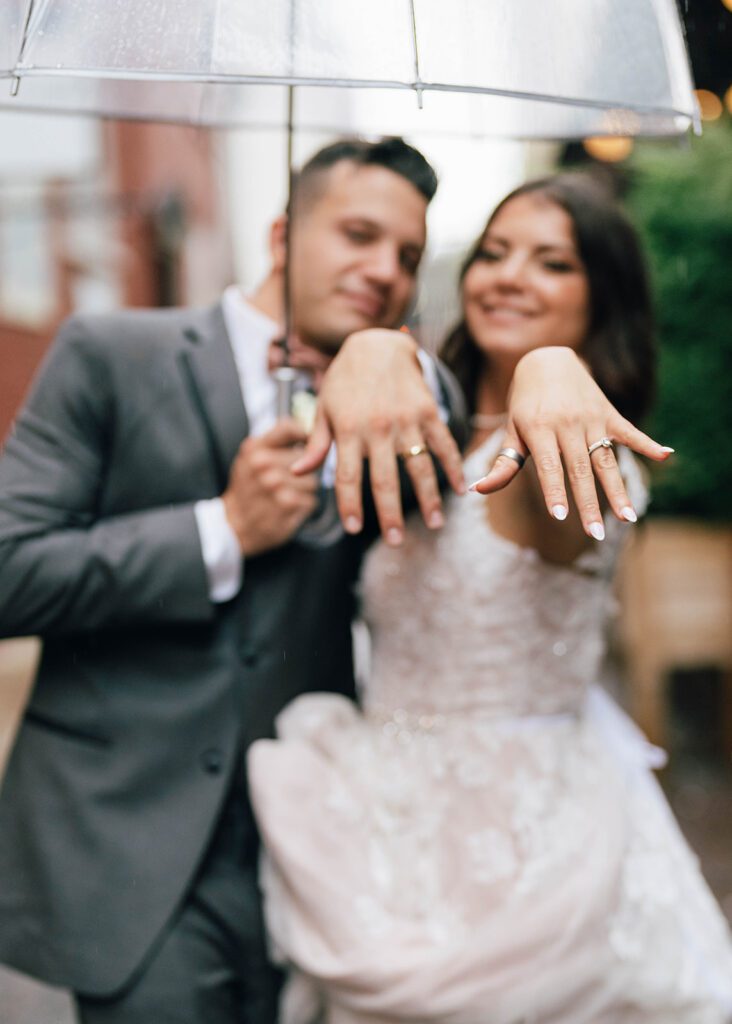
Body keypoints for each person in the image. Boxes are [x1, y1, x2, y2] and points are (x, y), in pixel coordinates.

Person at [0, 137, 658, 1024]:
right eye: (356, 235)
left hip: (334, 847)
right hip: (137, 838)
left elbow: (470, 413)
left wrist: (438, 355)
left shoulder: (419, 402)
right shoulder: (110, 352)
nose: (383, 269)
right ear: (280, 234)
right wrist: (222, 529)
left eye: (409, 257)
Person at [248, 173, 732, 1023]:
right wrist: (375, 347)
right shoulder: (416, 426)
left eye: (553, 263)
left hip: (523, 844)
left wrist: (551, 367)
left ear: (601, 299)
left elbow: (554, 506)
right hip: (383, 817)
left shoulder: (587, 459)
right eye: (496, 252)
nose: (509, 276)